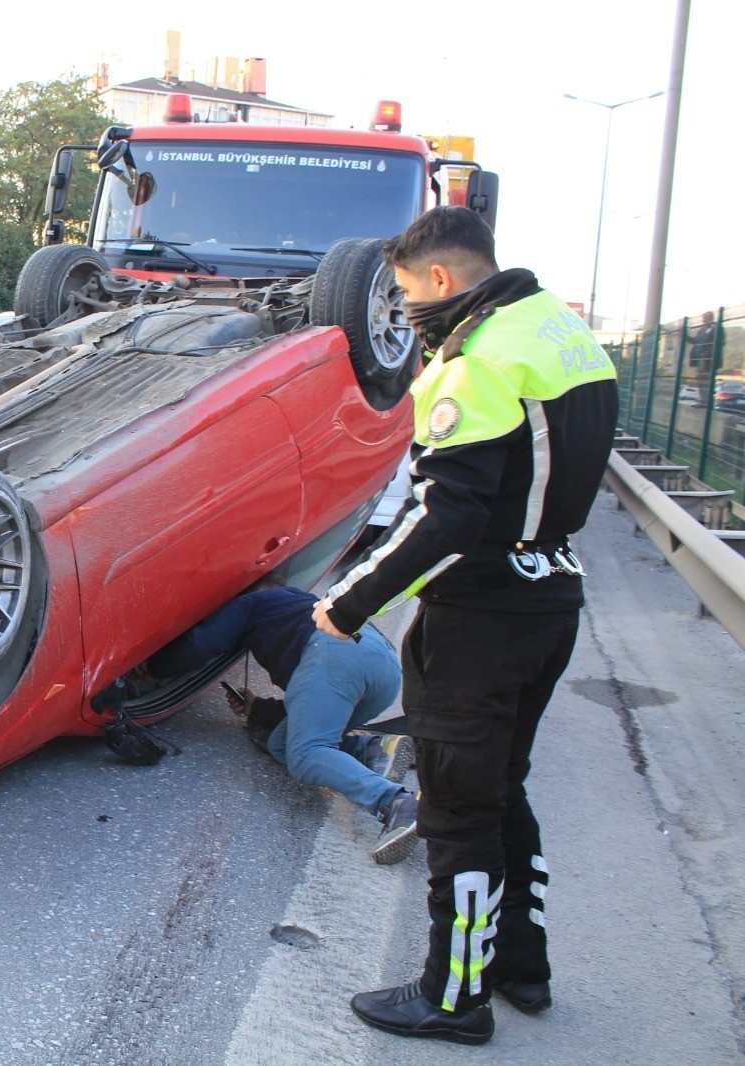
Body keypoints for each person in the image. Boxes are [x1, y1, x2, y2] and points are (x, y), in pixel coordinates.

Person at [313, 207, 618, 1044]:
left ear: (440, 279)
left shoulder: (474, 360)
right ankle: (521, 967)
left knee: (455, 809)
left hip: (480, 616)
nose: (409, 311)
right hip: (551, 590)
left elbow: (446, 516)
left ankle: (455, 997)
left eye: (408, 292)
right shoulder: (560, 332)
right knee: (502, 788)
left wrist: (348, 603)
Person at [148, 584, 416, 863]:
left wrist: (151, 670)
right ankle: (373, 749)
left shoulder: (249, 601)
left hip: (334, 654)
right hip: (382, 664)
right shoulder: (294, 598)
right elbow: (312, 704)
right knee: (282, 743)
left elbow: (199, 645)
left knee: (306, 754)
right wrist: (256, 708)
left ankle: (394, 802)